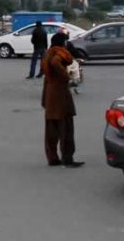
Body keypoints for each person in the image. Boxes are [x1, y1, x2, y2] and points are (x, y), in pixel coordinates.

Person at [41, 32, 84, 168]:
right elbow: (56, 63)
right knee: (66, 128)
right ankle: (67, 158)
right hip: (60, 94)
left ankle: (52, 158)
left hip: (50, 95)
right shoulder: (59, 53)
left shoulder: (48, 54)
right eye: (65, 41)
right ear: (62, 43)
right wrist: (66, 77)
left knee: (51, 130)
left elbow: (47, 76)